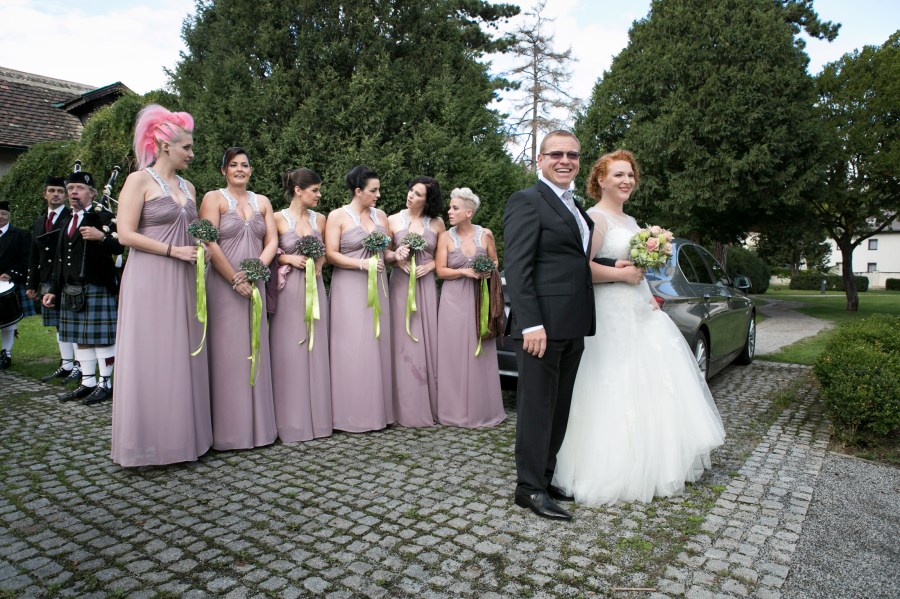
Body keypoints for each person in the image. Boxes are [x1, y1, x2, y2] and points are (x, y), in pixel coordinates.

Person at [552, 150, 726, 505]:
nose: (626, 181)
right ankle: (605, 467)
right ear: (600, 180)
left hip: (640, 309)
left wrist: (644, 284)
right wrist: (622, 274)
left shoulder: (632, 221)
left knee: (648, 381)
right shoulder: (593, 220)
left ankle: (651, 463)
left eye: (630, 175)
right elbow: (580, 268)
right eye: (618, 175)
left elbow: (635, 268)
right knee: (610, 381)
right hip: (609, 314)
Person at [503, 130, 638, 521]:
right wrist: (530, 325)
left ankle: (545, 477)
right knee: (536, 410)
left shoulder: (574, 205)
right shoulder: (527, 201)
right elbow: (518, 267)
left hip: (573, 324)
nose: (566, 161)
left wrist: (616, 267)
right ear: (540, 160)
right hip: (541, 328)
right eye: (557, 154)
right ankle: (528, 489)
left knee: (559, 409)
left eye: (573, 155)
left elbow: (574, 262)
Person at [110, 104, 213, 467]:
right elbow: (125, 234)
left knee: (181, 350)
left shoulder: (189, 186)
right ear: (165, 146)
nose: (191, 153)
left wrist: (200, 247)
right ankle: (148, 444)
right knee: (152, 353)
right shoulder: (138, 181)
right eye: (186, 147)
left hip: (185, 274)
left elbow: (194, 229)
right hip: (150, 275)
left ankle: (184, 437)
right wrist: (172, 250)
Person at [200, 147, 278, 450]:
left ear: (251, 170)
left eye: (245, 165)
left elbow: (271, 239)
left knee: (255, 346)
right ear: (223, 171)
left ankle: (259, 429)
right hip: (224, 284)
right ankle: (229, 431)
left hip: (255, 280)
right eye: (233, 165)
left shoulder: (263, 202)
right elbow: (209, 241)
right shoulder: (213, 199)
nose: (240, 169)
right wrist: (234, 278)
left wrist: (256, 270)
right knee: (228, 352)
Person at [325, 165, 396, 433]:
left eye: (378, 189)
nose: (378, 194)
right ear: (358, 191)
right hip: (349, 287)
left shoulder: (381, 217)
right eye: (373, 190)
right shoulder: (337, 216)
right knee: (352, 346)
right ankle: (349, 415)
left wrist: (395, 255)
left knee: (375, 345)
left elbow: (386, 253)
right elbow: (331, 254)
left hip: (378, 287)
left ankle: (376, 411)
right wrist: (361, 265)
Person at [43, 169, 122, 405]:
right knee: (81, 338)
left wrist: (101, 236)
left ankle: (105, 383)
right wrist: (52, 290)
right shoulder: (68, 220)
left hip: (97, 286)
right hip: (71, 288)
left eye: (79, 189)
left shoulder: (105, 217)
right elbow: (59, 260)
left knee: (102, 339)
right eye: (70, 189)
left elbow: (120, 247)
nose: (73, 193)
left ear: (92, 193)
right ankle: (87, 381)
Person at [268, 168, 332, 442]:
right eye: (315, 190)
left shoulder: (321, 219)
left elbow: (327, 252)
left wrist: (319, 262)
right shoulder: (277, 219)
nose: (319, 195)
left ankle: (318, 420)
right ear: (298, 191)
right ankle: (290, 422)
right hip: (289, 290)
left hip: (314, 288)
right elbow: (269, 254)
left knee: (315, 347)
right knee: (289, 350)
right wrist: (286, 260)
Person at [434, 187, 505, 428]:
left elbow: (495, 261)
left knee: (481, 349)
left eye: (454, 208)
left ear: (468, 212)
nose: (449, 211)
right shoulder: (445, 237)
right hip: (453, 300)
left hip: (480, 298)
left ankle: (482, 410)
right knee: (452, 352)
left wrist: (488, 268)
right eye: (450, 207)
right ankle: (452, 411)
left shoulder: (485, 234)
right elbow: (440, 271)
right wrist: (463, 271)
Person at [387, 177, 445, 427]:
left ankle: (428, 403)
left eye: (418, 194)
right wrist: (396, 258)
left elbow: (444, 257)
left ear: (427, 200)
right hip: (400, 283)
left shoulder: (438, 223)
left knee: (426, 339)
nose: (411, 196)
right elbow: (384, 253)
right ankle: (401, 405)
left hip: (425, 285)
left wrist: (430, 265)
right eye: (410, 190)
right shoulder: (391, 219)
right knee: (401, 340)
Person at [25, 176, 79, 382]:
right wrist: (32, 283)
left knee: (72, 322)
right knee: (58, 323)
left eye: (60, 191)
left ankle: (79, 365)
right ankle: (66, 364)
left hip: (67, 279)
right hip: (48, 280)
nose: (56, 194)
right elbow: (34, 255)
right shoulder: (40, 222)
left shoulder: (71, 217)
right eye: (52, 191)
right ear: (44, 194)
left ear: (65, 196)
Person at [0, 201, 33, 368]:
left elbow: (27, 259)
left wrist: (11, 274)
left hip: (9, 284)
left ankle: (6, 353)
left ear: (9, 216)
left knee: (9, 321)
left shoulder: (20, 235)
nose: (0, 217)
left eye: (4, 214)